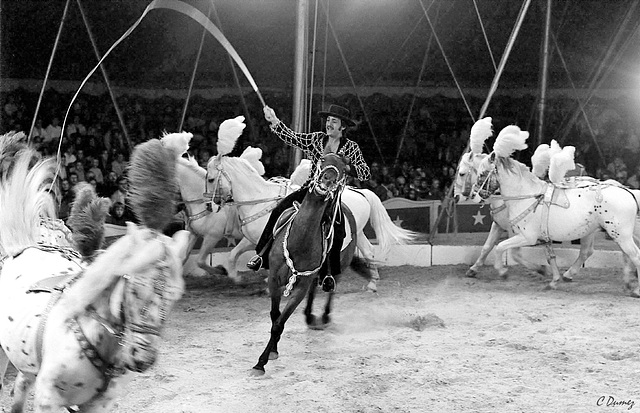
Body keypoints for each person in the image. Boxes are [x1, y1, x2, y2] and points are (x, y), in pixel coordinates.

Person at [246, 104, 371, 292]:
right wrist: (275, 122)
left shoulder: (351, 148)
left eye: (334, 121)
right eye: (328, 121)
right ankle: (262, 255)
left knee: (338, 229)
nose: (329, 124)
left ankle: (329, 272)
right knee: (280, 209)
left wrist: (347, 168)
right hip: (310, 189)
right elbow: (293, 138)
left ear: (342, 126)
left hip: (331, 196)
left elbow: (365, 172)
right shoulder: (316, 139)